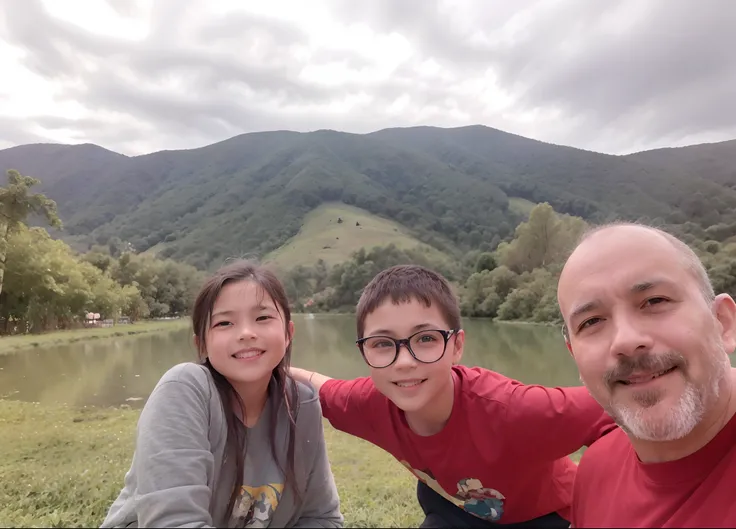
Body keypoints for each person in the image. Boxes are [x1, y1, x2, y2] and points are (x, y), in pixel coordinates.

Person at [290, 264, 617, 528]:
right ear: (364, 354)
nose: (405, 362)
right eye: (382, 344)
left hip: (550, 516)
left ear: (457, 346)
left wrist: (604, 506)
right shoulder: (367, 403)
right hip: (455, 513)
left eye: (426, 339)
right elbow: (316, 383)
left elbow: (616, 409)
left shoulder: (513, 409)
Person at [101, 260, 343, 528]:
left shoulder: (302, 404)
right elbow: (173, 522)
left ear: (288, 333)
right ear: (201, 344)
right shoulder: (185, 390)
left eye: (262, 317)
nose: (246, 333)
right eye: (224, 323)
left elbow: (321, 517)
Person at [557, 223, 736, 528]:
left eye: (655, 301)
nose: (625, 340)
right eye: (592, 321)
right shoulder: (596, 469)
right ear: (575, 357)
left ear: (723, 322)